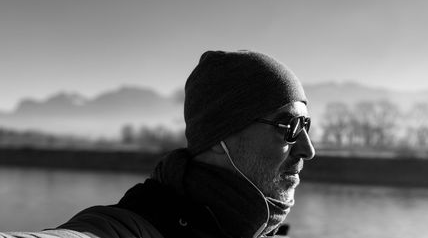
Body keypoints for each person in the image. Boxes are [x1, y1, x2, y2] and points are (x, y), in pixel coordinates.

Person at [1, 50, 315, 238]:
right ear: (222, 137)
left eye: (306, 126)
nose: (308, 149)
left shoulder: (257, 227)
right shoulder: (138, 225)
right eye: (288, 126)